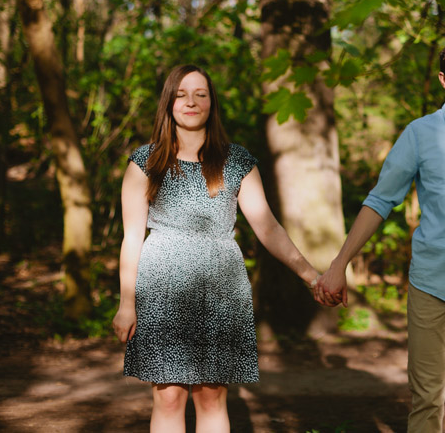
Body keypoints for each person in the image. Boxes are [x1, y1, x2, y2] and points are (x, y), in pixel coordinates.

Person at [316, 38, 445, 432]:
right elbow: (381, 200)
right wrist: (339, 262)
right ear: (443, 78)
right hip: (430, 282)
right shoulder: (419, 134)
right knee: (426, 398)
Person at [112, 64, 323, 432]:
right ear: (168, 103)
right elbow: (131, 238)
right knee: (168, 395)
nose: (190, 102)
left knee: (210, 396)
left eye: (200, 94)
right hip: (162, 287)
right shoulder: (144, 162)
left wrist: (311, 275)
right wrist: (126, 304)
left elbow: (268, 228)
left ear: (212, 103)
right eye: (181, 94)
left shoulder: (236, 161)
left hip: (221, 288)